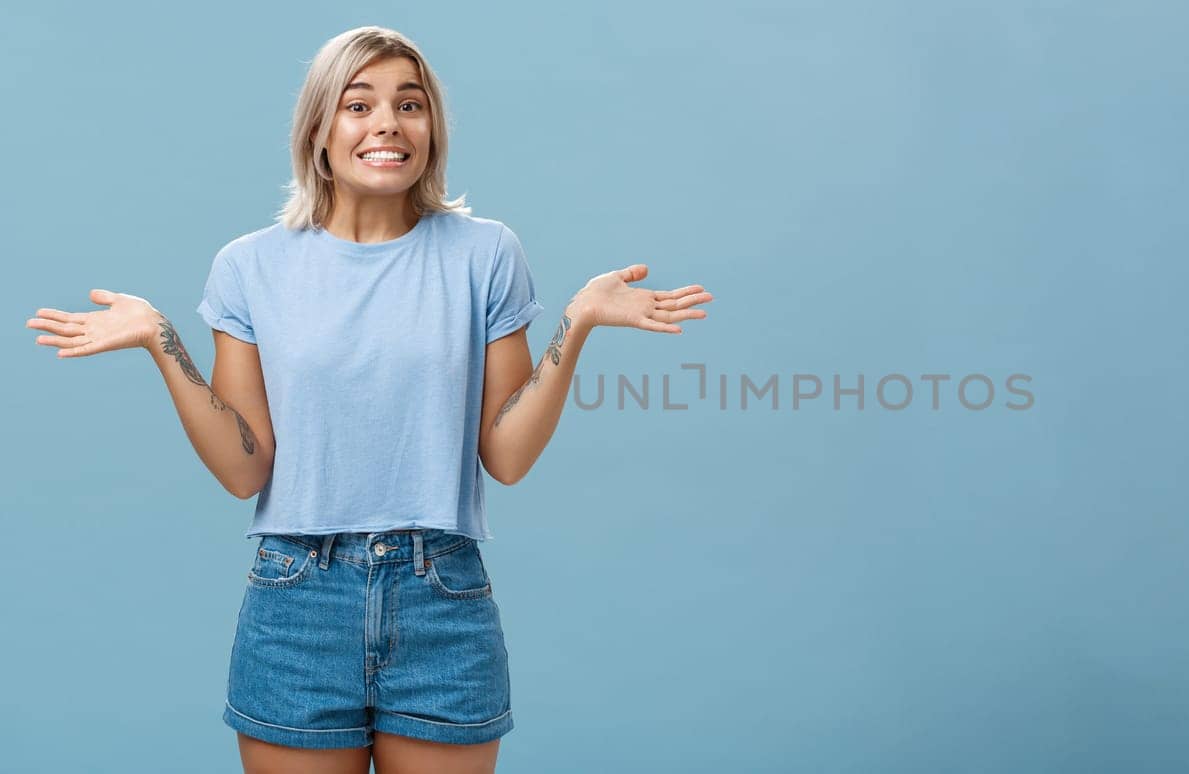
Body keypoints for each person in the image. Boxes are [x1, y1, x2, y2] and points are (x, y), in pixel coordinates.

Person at [24, 26, 711, 774]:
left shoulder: (486, 255)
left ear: (432, 128)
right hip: (296, 602)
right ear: (319, 128)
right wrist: (162, 340)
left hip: (441, 596)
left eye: (409, 104)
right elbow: (244, 471)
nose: (387, 122)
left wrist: (576, 323)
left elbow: (507, 457)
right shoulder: (249, 267)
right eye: (359, 104)